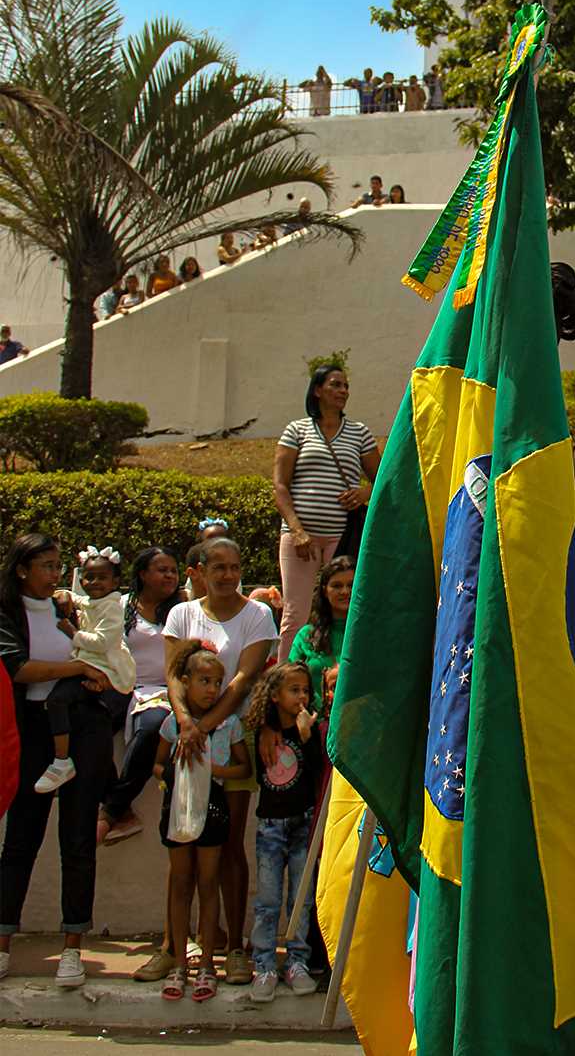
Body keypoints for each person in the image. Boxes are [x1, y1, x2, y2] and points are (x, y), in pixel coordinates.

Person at [0, 534, 114, 989]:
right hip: (31, 732)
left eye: (56, 566)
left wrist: (93, 676)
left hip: (83, 728)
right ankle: (4, 942)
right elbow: (20, 669)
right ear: (23, 569)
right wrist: (78, 669)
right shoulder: (7, 614)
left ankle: (73, 948)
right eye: (45, 566)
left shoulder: (69, 609)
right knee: (19, 842)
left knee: (78, 840)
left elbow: (100, 651)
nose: (53, 574)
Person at [163, 538, 277, 986]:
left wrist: (206, 726)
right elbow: (175, 676)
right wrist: (186, 724)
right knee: (181, 846)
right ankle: (175, 946)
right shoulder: (181, 615)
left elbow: (245, 679)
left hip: (230, 737)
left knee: (228, 843)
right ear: (200, 570)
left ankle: (232, 947)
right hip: (186, 736)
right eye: (219, 567)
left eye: (235, 566)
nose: (228, 575)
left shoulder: (258, 615)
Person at [154, 641, 249, 1003]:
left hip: (213, 809)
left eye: (217, 683)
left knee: (209, 883)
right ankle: (179, 962)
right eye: (204, 681)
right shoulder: (170, 724)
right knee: (181, 883)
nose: (211, 690)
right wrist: (172, 778)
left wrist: (215, 771)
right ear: (186, 682)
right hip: (177, 810)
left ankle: (208, 963)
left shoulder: (229, 726)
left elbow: (245, 767)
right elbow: (158, 764)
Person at [273, 364, 380, 661]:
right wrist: (296, 530)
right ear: (318, 390)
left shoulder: (359, 433)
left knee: (343, 609)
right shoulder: (296, 430)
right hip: (300, 538)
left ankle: (339, 673)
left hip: (341, 535)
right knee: (295, 613)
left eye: (345, 386)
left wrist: (364, 493)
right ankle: (287, 677)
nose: (343, 391)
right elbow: (280, 485)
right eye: (336, 385)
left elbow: (383, 478)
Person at [246, 662, 324, 1001]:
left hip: (302, 824)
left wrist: (307, 737)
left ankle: (297, 962)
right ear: (275, 696)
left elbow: (317, 773)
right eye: (294, 690)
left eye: (306, 690)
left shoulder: (311, 729)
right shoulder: (263, 732)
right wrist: (265, 727)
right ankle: (263, 965)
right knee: (268, 899)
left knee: (301, 899)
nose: (302, 696)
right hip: (271, 828)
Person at [101, 546, 184, 856]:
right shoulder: (121, 606)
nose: (170, 576)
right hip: (121, 687)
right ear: (142, 574)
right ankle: (121, 810)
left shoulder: (182, 609)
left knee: (152, 729)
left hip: (163, 692)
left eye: (173, 570)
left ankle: (111, 811)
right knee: (88, 729)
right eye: (162, 570)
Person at [35, 546, 135, 794]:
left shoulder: (112, 608)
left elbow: (102, 642)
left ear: (116, 581)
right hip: (88, 666)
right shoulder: (94, 601)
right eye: (89, 577)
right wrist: (63, 594)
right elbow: (79, 600)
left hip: (104, 667)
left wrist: (73, 633)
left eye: (102, 577)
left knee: (57, 700)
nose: (95, 582)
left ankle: (61, 761)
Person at [289, 556, 354, 716]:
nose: (345, 591)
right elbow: (287, 682)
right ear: (325, 590)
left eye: (351, 585)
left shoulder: (371, 635)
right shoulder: (306, 635)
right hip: (313, 727)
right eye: (337, 586)